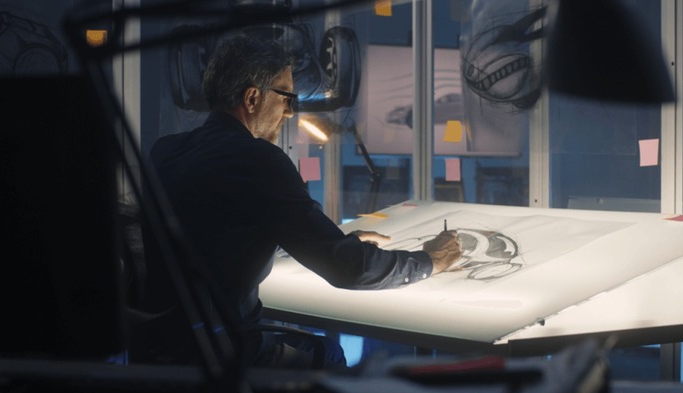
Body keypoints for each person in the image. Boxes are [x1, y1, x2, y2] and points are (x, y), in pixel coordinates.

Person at [133, 34, 462, 370]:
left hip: (164, 345)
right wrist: (430, 261)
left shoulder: (168, 150)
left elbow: (213, 237)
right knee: (332, 355)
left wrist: (321, 239)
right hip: (222, 354)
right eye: (286, 97)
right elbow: (346, 268)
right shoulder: (259, 160)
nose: (291, 112)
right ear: (251, 98)